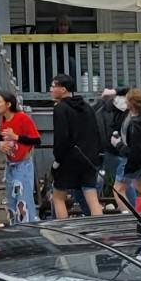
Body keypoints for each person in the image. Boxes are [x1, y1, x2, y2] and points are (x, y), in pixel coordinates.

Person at [47, 75, 104, 219]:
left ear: (63, 89)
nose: (51, 89)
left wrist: (57, 159)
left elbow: (61, 137)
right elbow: (96, 131)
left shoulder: (60, 108)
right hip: (89, 157)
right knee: (91, 196)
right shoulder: (86, 106)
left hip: (69, 159)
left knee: (58, 196)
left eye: (54, 86)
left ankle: (64, 230)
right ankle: (100, 228)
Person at [0, 90, 40, 223]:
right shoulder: (3, 120)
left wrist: (16, 137)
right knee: (11, 200)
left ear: (8, 104)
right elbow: (5, 140)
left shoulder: (22, 118)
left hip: (23, 164)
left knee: (23, 198)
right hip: (10, 164)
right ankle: (15, 226)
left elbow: (36, 140)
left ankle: (28, 226)